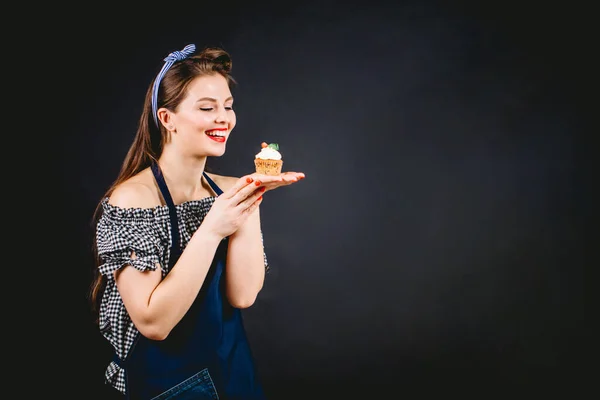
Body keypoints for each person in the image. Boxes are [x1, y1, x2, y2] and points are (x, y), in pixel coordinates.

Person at [88, 43, 305, 400]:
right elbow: (153, 323)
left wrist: (251, 196)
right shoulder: (132, 200)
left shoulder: (230, 189)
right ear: (167, 119)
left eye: (228, 106)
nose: (224, 118)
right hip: (169, 387)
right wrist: (213, 228)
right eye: (207, 108)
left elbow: (243, 294)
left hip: (234, 375)